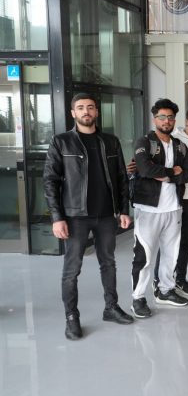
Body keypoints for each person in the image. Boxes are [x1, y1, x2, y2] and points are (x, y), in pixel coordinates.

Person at [44, 93, 133, 340]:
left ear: (97, 112)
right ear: (73, 113)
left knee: (109, 263)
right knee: (72, 270)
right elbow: (50, 181)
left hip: (106, 215)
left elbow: (121, 179)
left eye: (91, 107)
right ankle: (72, 317)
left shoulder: (110, 141)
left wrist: (124, 210)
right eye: (81, 108)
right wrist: (57, 217)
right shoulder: (61, 142)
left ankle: (111, 307)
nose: (86, 111)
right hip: (75, 217)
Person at [131, 98, 188, 318]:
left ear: (174, 120)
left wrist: (166, 176)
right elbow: (145, 169)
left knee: (171, 254)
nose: (166, 121)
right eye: (162, 117)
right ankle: (138, 298)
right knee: (144, 256)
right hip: (148, 209)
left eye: (170, 117)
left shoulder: (179, 145)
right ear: (155, 119)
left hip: (174, 208)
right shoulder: (144, 141)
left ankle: (165, 291)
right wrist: (173, 172)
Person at [150, 105, 188, 297]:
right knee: (169, 242)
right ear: (186, 121)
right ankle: (159, 281)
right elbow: (155, 167)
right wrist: (176, 175)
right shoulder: (174, 139)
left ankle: (180, 279)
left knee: (185, 243)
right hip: (174, 197)